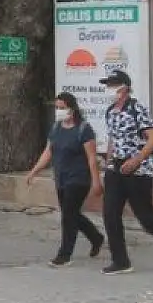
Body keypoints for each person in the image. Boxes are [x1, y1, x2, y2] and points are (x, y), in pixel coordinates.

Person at [99, 69, 153, 275]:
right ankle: (120, 260)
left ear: (125, 88)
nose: (110, 89)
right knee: (110, 214)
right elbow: (113, 139)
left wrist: (137, 159)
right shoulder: (110, 111)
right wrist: (108, 161)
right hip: (116, 168)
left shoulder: (136, 109)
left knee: (145, 217)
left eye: (113, 85)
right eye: (108, 85)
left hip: (138, 169)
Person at [26, 92, 105, 267]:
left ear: (72, 108)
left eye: (62, 107)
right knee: (72, 214)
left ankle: (65, 254)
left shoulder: (84, 129)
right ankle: (96, 237)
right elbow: (48, 152)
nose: (59, 111)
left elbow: (92, 158)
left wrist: (96, 181)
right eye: (57, 107)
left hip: (78, 179)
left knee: (68, 216)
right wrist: (34, 171)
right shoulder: (56, 128)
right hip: (61, 177)